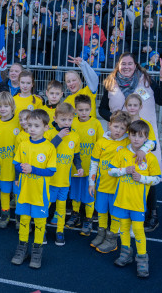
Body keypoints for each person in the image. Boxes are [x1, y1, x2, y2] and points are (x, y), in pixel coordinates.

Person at [99, 52, 162, 232]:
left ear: (135, 65)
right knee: (124, 173)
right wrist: (115, 120)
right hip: (123, 138)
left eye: (130, 63)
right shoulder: (110, 83)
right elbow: (102, 109)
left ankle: (152, 213)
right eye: (123, 64)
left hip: (146, 138)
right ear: (118, 65)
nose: (127, 67)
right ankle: (120, 212)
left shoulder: (145, 79)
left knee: (148, 173)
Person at [109, 120, 162, 278]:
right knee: (123, 229)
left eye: (140, 136)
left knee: (138, 231)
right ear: (129, 135)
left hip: (137, 203)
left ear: (146, 138)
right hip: (122, 201)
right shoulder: (122, 153)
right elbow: (110, 171)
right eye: (133, 135)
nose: (136, 139)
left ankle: (142, 258)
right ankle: (125, 253)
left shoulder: (150, 158)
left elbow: (157, 179)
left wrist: (143, 179)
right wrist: (124, 170)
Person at [11, 109, 56, 268]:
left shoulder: (49, 147)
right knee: (23, 220)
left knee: (39, 222)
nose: (31, 128)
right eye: (29, 125)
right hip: (24, 191)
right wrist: (20, 168)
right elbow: (15, 163)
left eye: (36, 125)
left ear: (46, 128)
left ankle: (37, 251)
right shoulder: (23, 144)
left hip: (40, 194)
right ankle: (22, 248)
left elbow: (51, 171)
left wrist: (33, 169)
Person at [88, 110, 131, 253]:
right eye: (116, 126)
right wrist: (91, 183)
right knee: (101, 211)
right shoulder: (101, 142)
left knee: (115, 213)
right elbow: (94, 164)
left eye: (122, 128)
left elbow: (147, 142)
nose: (118, 131)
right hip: (102, 185)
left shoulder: (127, 142)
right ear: (109, 124)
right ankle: (101, 233)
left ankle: (112, 239)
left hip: (118, 187)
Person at [44, 103, 82, 245]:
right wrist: (59, 136)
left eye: (69, 120)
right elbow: (47, 149)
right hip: (50, 180)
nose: (66, 123)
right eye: (63, 120)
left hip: (65, 181)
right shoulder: (50, 134)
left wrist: (78, 167)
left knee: (61, 208)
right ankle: (41, 229)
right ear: (55, 118)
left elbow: (76, 155)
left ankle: (60, 231)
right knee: (46, 205)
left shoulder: (75, 136)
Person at [68, 95, 104, 236]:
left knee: (89, 194)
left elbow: (101, 144)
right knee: (76, 193)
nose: (84, 112)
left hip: (90, 168)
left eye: (86, 109)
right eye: (80, 110)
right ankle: (75, 214)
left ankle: (88, 218)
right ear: (76, 110)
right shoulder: (72, 124)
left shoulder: (95, 124)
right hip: (75, 167)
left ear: (91, 109)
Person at [0, 91, 20, 228]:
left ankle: (20, 217)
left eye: (6, 106)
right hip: (3, 166)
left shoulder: (19, 122)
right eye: (0, 106)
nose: (3, 109)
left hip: (18, 167)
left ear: (12, 107)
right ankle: (5, 215)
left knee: (18, 193)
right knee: (5, 192)